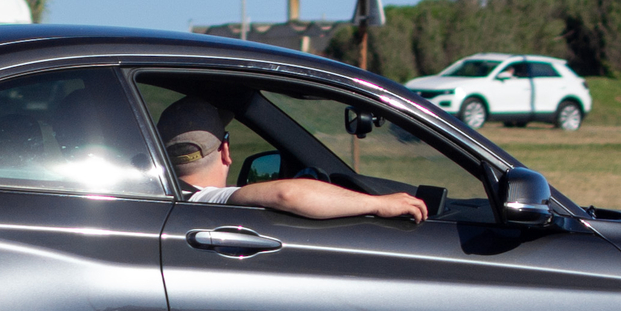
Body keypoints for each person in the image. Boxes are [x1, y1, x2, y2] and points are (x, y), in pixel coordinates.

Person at [154, 95, 427, 221]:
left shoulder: (166, 197)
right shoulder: (206, 200)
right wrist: (377, 204)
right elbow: (287, 194)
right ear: (225, 150)